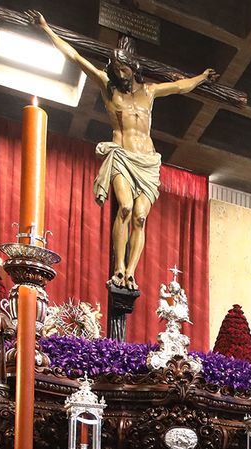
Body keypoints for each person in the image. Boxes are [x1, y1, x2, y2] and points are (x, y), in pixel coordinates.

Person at [34, 12, 218, 289]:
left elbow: (181, 86)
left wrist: (202, 77)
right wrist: (46, 28)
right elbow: (76, 58)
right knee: (126, 208)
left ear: (133, 68)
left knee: (141, 217)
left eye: (124, 68)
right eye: (117, 69)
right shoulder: (109, 91)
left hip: (147, 161)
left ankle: (131, 271)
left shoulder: (150, 92)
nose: (121, 73)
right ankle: (118, 266)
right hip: (121, 156)